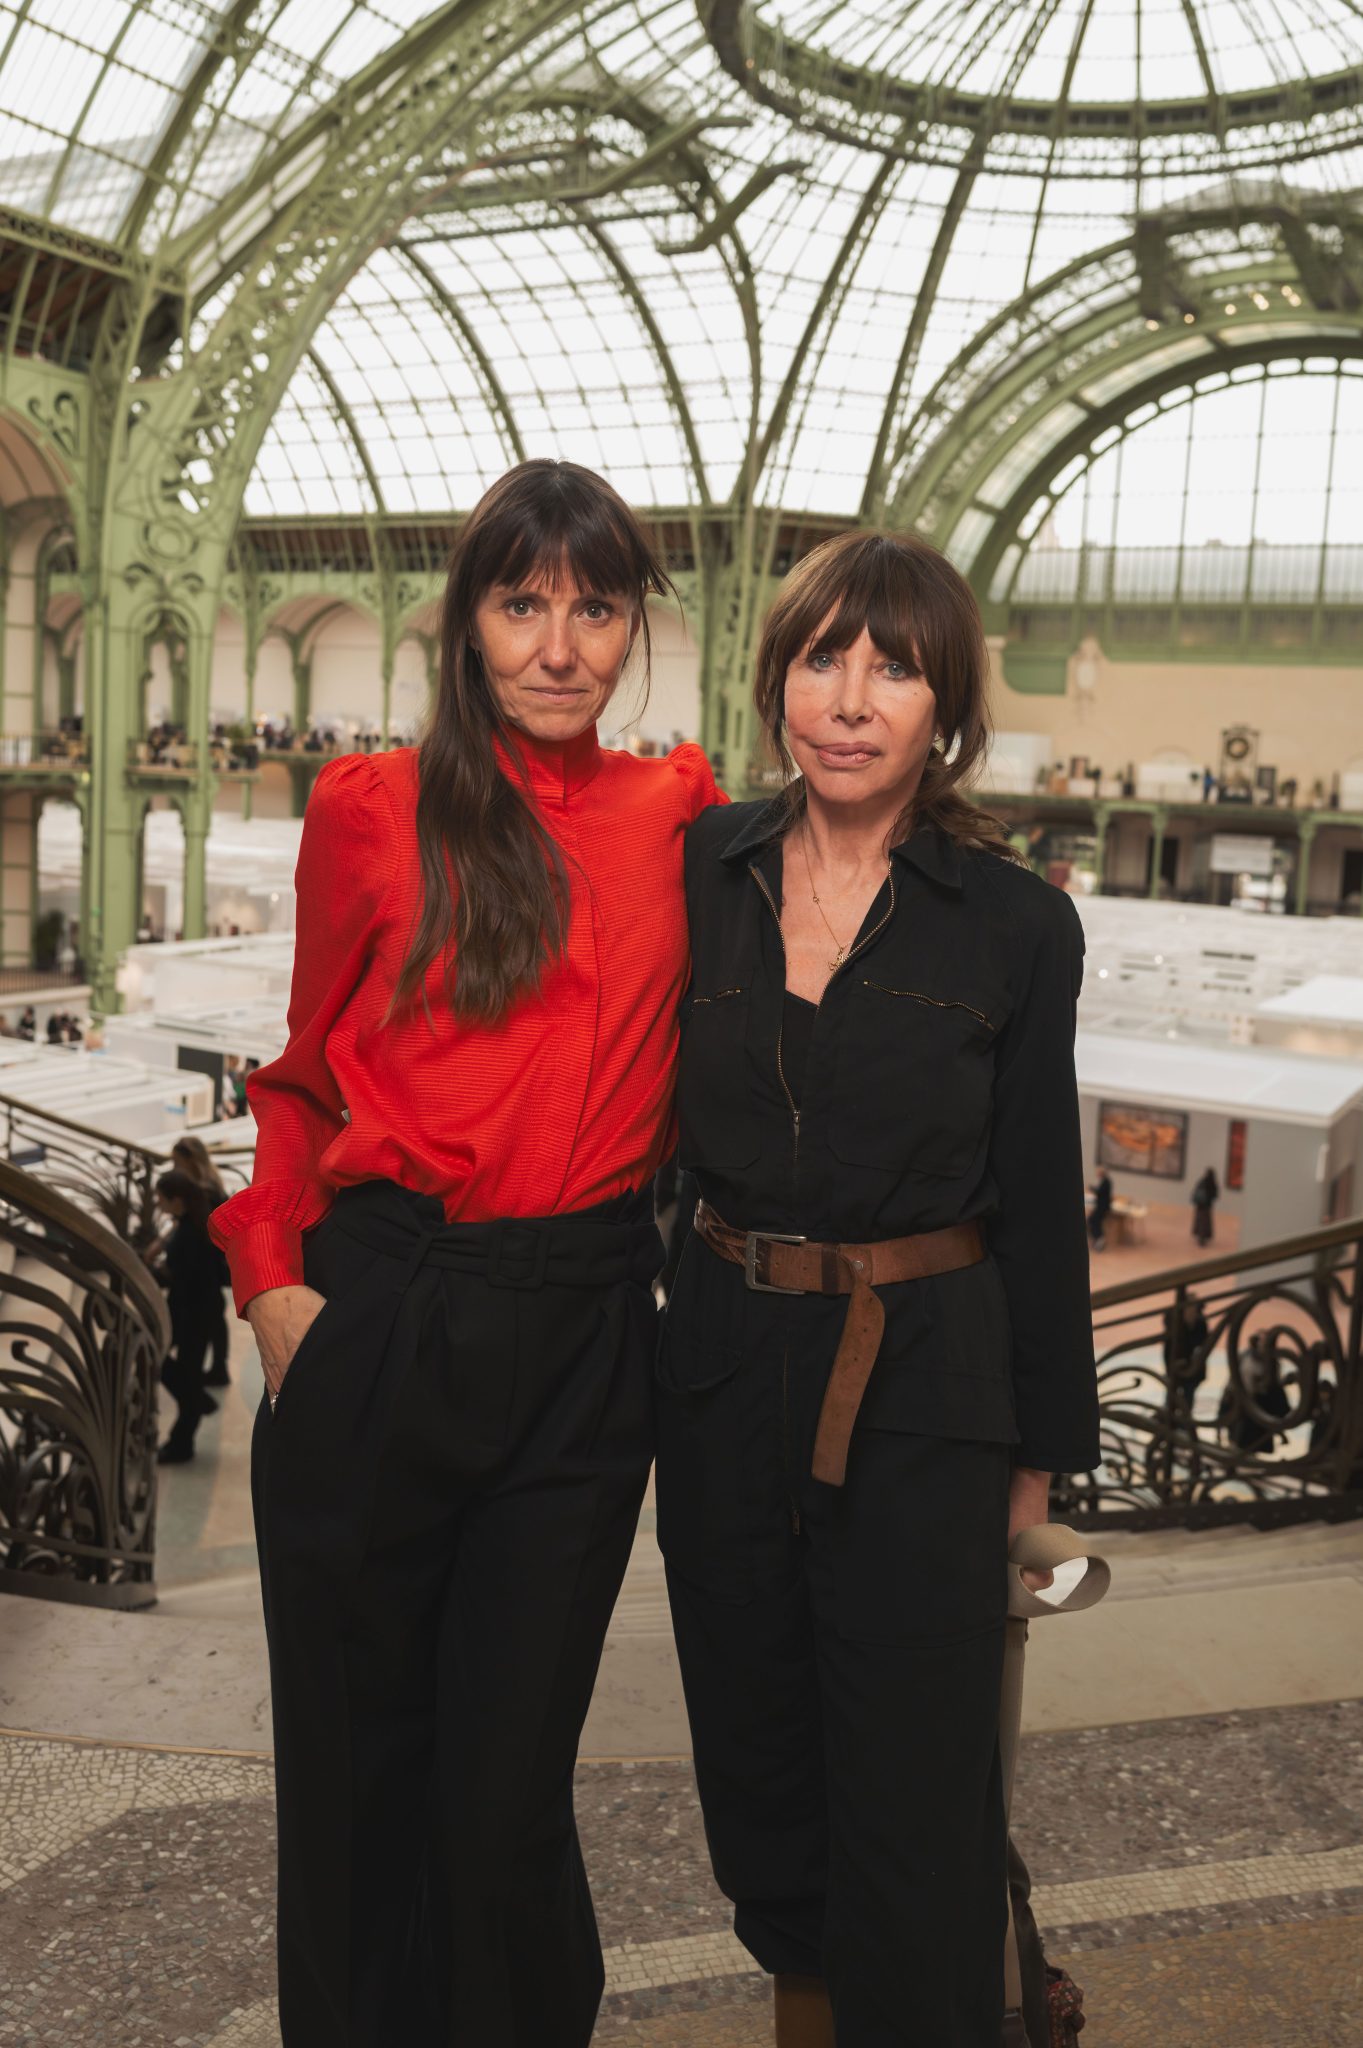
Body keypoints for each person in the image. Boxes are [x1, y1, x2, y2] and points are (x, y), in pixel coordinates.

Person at [208, 459, 720, 2048]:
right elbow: (298, 1073)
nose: (558, 645)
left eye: (594, 606)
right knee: (356, 1782)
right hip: (386, 1315)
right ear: (468, 623)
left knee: (505, 1796)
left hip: (579, 1341)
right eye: (521, 605)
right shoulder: (369, 809)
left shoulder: (681, 814)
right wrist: (277, 1285)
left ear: (633, 627)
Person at [658, 529, 1099, 2047]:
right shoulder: (698, 872)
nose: (848, 700)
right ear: (776, 676)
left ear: (942, 710)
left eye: (892, 668)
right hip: (718, 1368)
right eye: (821, 657)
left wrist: (1034, 1457)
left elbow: (1040, 1201)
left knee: (913, 1797)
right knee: (759, 1777)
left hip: (926, 1385)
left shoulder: (1015, 923)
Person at [153, 1168, 231, 1464]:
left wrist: (159, 1272)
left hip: (193, 1315)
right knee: (181, 1370)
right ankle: (196, 1402)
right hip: (198, 1310)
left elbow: (185, 1278)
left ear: (177, 1200)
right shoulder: (194, 1223)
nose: (158, 1204)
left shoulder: (189, 1232)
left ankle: (182, 1443)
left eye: (161, 1199)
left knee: (181, 1370)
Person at [172, 1137, 231, 1387]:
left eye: (177, 1162)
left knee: (212, 1314)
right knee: (216, 1315)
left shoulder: (202, 1190)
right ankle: (219, 1367)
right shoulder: (210, 1183)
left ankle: (217, 1368)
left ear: (190, 1161)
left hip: (209, 1258)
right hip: (214, 1256)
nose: (175, 1168)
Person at [1192, 1164, 1219, 1245]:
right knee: (1205, 1222)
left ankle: (1200, 1236)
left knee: (1200, 1220)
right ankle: (1203, 1237)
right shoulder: (1212, 1183)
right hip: (1207, 1206)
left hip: (1200, 1205)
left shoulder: (1202, 1181)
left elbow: (1196, 1191)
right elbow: (1215, 1195)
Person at [1087, 1166, 1113, 1250]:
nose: (1097, 1174)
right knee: (1092, 1220)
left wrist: (1091, 1188)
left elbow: (1100, 1192)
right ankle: (1097, 1239)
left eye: (1098, 1173)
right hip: (1101, 1206)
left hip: (1102, 1207)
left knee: (1094, 1221)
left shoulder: (1106, 1182)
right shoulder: (1104, 1181)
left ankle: (1100, 1239)